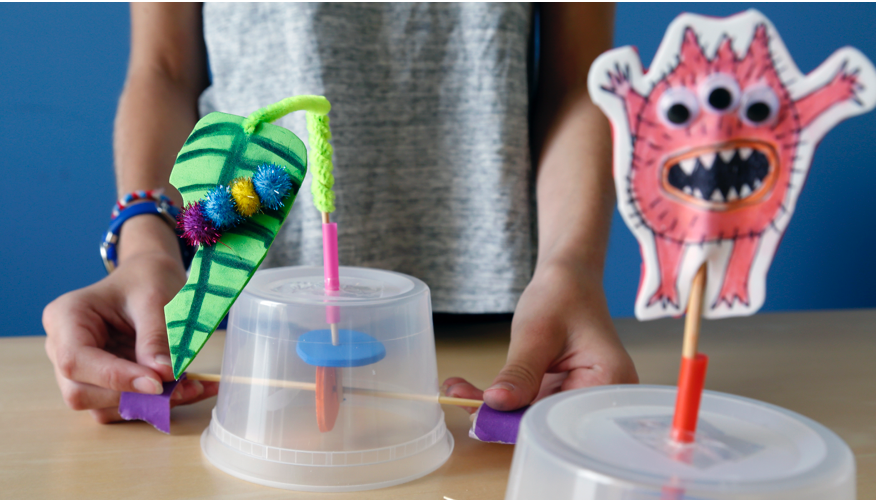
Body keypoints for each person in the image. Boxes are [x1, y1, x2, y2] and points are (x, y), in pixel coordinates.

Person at [42, 3, 637, 425]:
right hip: (247, 326)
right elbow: (164, 69)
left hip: (507, 336)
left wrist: (573, 266)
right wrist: (147, 245)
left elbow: (581, 78)